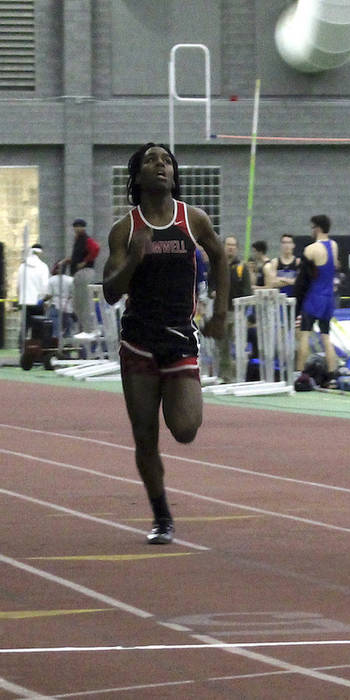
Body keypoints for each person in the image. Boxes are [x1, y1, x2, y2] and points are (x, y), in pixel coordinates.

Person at [101, 142, 229, 544]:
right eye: (152, 160)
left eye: (167, 161)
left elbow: (220, 256)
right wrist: (134, 260)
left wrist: (220, 310)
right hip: (139, 341)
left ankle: (162, 510)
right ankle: (162, 516)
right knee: (145, 436)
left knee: (186, 428)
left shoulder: (193, 219)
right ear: (138, 176)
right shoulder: (125, 229)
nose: (161, 165)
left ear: (174, 174)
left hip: (179, 339)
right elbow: (109, 291)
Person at [296, 214, 339, 374]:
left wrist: (298, 302)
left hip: (314, 297)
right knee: (326, 337)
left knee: (304, 334)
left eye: (312, 227)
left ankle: (300, 374)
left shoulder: (310, 249)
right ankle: (333, 373)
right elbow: (333, 268)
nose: (311, 231)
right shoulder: (334, 246)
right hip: (328, 298)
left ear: (318, 228)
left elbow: (303, 281)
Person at [217, 235, 253, 382]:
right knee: (223, 346)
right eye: (228, 245)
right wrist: (211, 292)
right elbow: (211, 284)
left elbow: (247, 290)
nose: (230, 248)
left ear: (236, 248)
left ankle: (240, 377)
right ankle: (226, 376)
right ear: (224, 246)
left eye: (233, 245)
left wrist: (246, 312)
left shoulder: (241, 267)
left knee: (239, 346)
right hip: (220, 312)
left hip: (237, 313)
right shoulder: (218, 264)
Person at [59, 219, 101, 335]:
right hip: (78, 274)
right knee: (78, 303)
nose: (77, 229)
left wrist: (85, 261)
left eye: (79, 226)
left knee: (84, 302)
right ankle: (83, 328)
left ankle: (89, 329)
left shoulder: (86, 239)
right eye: (75, 226)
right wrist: (69, 260)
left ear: (83, 228)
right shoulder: (78, 240)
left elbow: (96, 248)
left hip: (84, 272)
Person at [44, 261, 76, 339]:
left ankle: (56, 346)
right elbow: (74, 295)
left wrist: (43, 300)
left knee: (55, 331)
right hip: (67, 308)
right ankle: (67, 346)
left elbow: (49, 295)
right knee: (68, 329)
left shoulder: (52, 280)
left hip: (55, 307)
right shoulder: (71, 280)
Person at [16, 243, 49, 313]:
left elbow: (18, 286)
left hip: (24, 301)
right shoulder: (43, 267)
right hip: (37, 302)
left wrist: (19, 298)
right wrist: (44, 300)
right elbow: (45, 286)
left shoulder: (22, 266)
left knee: (25, 323)